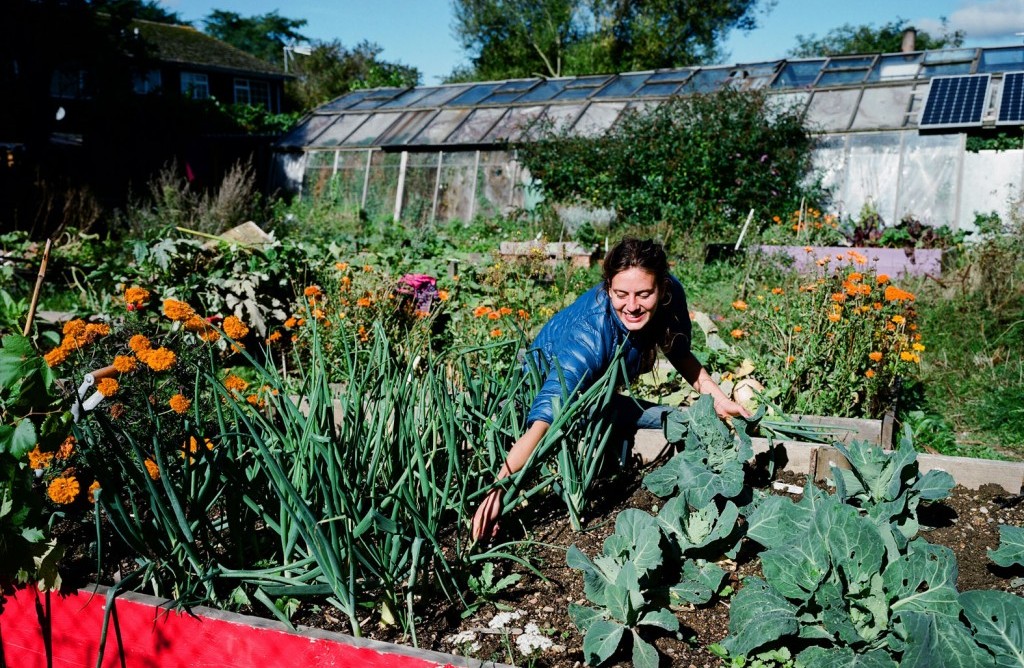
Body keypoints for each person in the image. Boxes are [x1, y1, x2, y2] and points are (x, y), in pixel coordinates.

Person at [471, 237, 751, 542]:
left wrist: (719, 399)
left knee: (673, 418)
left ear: (662, 288)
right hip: (556, 395)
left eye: (644, 294)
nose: (632, 306)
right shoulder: (588, 337)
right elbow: (543, 422)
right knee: (654, 419)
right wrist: (497, 490)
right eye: (621, 294)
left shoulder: (671, 295)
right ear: (607, 288)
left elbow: (679, 353)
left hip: (602, 395)